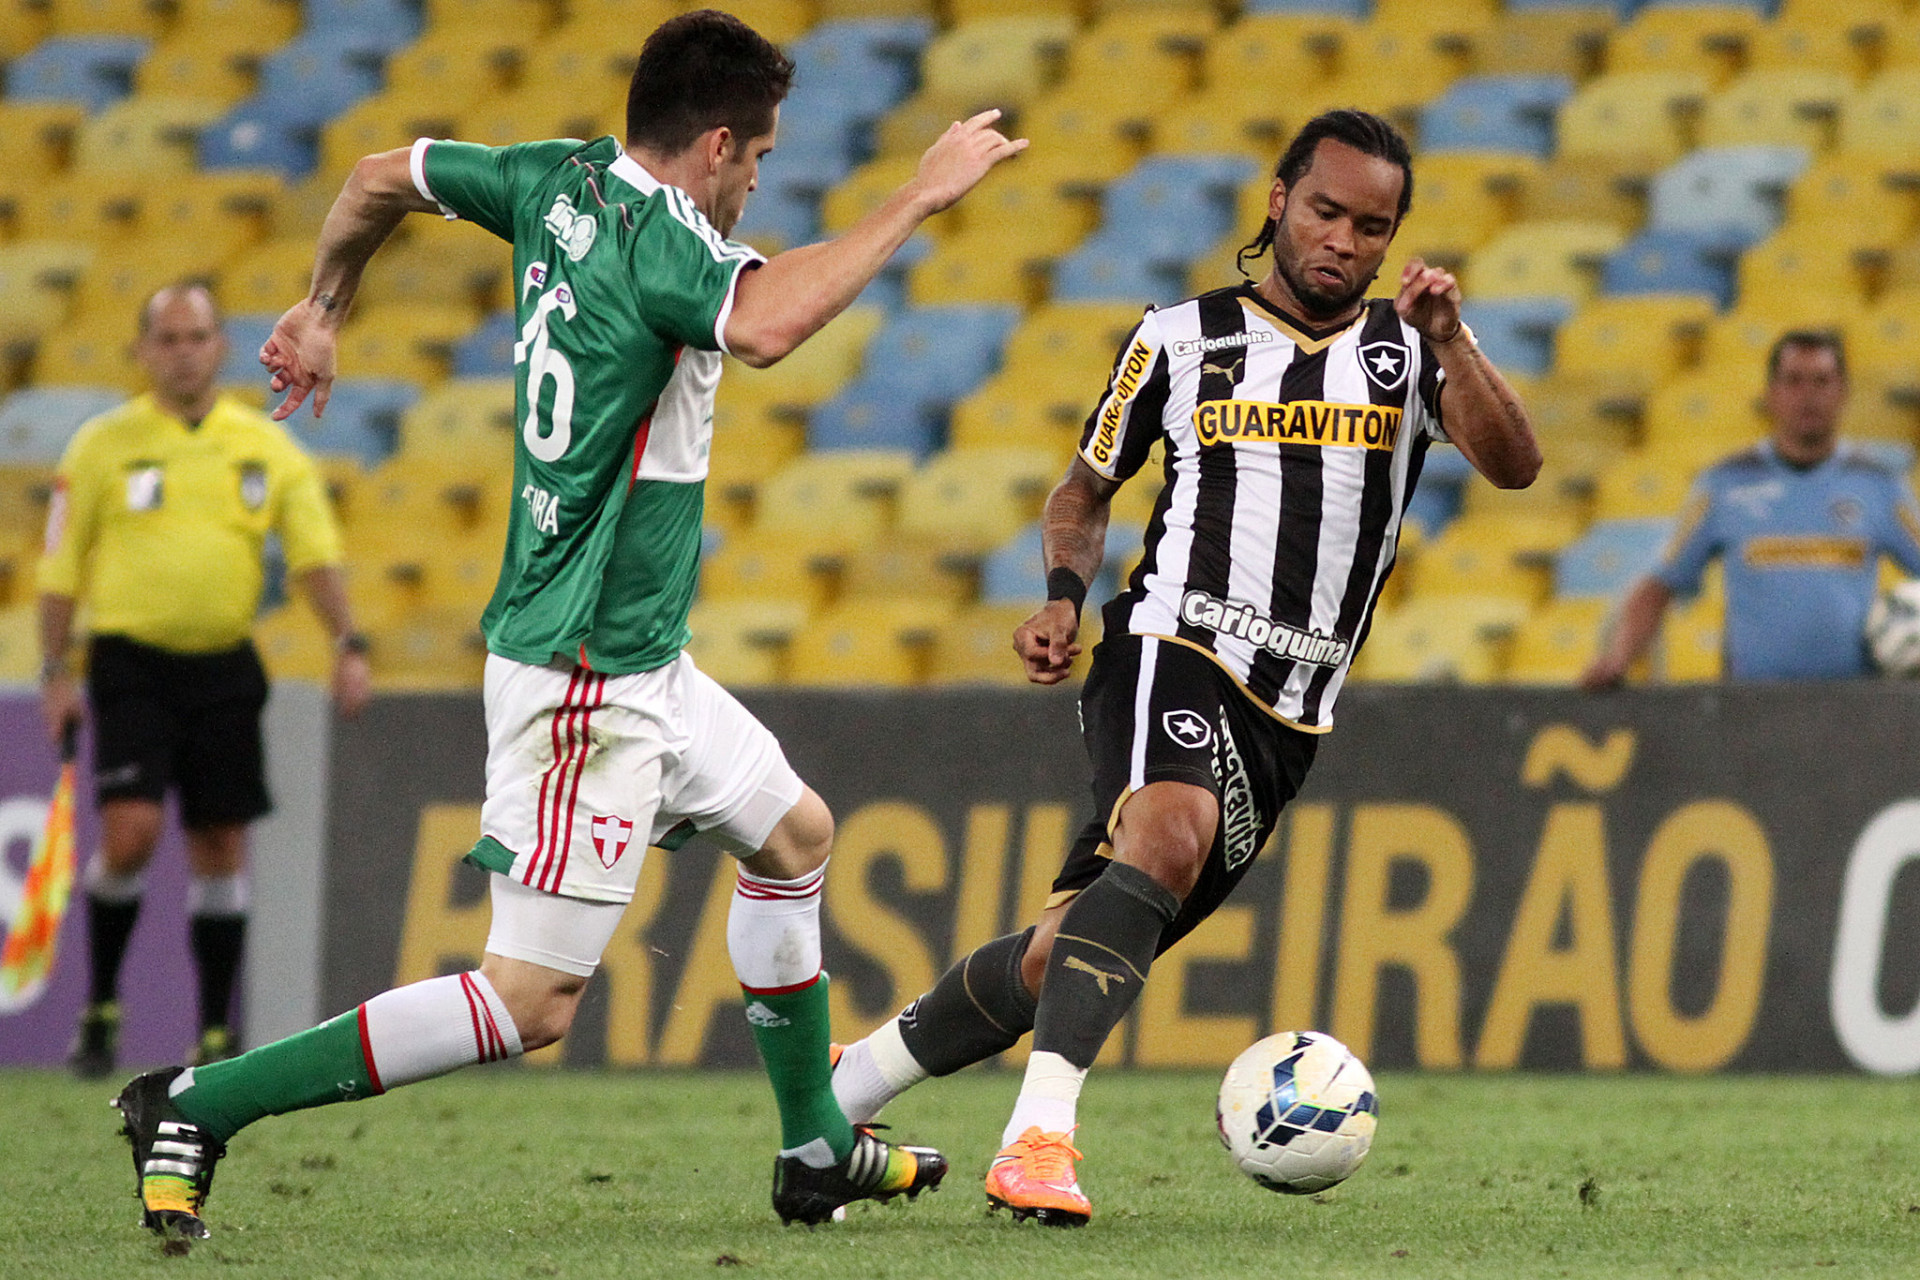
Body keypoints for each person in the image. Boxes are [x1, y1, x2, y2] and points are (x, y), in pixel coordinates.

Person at [107, 9, 1025, 1244]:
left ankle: (815, 1143)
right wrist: (916, 197)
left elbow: (379, 175)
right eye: (756, 158)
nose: (757, 180)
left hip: (642, 656)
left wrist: (323, 304)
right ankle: (197, 1101)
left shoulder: (559, 179)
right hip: (588, 675)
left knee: (795, 832)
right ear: (713, 147)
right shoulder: (667, 245)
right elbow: (766, 327)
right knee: (530, 1001)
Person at [827, 108, 1541, 1227]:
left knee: (1069, 949)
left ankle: (842, 1093)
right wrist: (1062, 600)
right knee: (1166, 829)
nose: (1343, 241)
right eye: (1325, 211)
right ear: (1277, 200)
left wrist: (1455, 339)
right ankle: (1038, 1140)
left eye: (1372, 224)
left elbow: (1516, 465)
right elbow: (1083, 490)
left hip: (1291, 717)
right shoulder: (1176, 336)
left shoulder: (1408, 356)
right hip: (1173, 643)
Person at [36, 282, 372, 1082]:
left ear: (221, 348)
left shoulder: (264, 447)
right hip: (130, 664)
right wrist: (55, 672)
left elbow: (314, 554)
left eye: (197, 338)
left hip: (225, 666)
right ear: (144, 350)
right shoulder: (101, 446)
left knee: (220, 842)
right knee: (132, 836)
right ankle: (102, 1002)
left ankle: (216, 1030)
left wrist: (349, 643)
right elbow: (58, 568)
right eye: (168, 338)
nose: (183, 352)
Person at [1581, 330, 1920, 688]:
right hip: (1751, 709)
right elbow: (1660, 583)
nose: (1809, 395)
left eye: (1822, 381)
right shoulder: (1725, 484)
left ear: (1843, 394)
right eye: (1794, 381)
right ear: (1771, 394)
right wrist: (1617, 660)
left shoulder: (1879, 484)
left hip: (1853, 707)